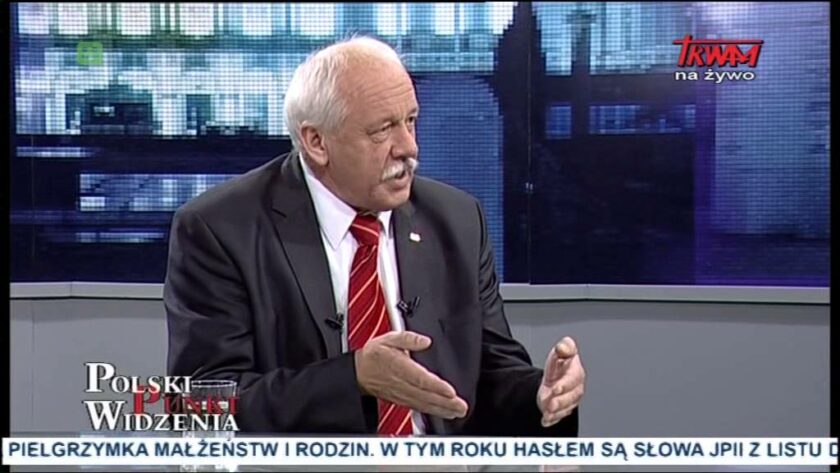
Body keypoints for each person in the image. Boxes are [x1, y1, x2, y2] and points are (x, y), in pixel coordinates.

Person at [165, 36, 585, 436]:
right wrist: (353, 378)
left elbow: (490, 373)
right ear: (316, 142)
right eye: (382, 130)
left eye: (411, 121)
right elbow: (197, 406)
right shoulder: (221, 229)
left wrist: (541, 396)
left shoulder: (456, 220)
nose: (409, 148)